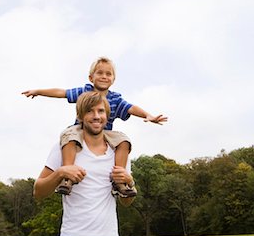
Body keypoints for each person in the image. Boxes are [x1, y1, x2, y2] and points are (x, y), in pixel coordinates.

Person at [23, 57, 167, 197]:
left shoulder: (115, 99)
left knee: (123, 140)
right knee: (69, 136)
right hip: (81, 129)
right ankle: (67, 178)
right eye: (100, 73)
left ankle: (119, 181)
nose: (104, 76)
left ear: (113, 79)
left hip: (105, 133)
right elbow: (62, 92)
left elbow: (131, 108)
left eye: (108, 74)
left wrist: (148, 115)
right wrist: (39, 91)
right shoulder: (84, 92)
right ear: (91, 77)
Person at [33, 91, 135, 236]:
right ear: (80, 116)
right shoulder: (64, 147)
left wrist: (129, 182)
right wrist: (60, 172)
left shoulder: (118, 154)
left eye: (101, 111)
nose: (96, 116)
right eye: (90, 111)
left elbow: (127, 202)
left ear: (107, 116)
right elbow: (38, 192)